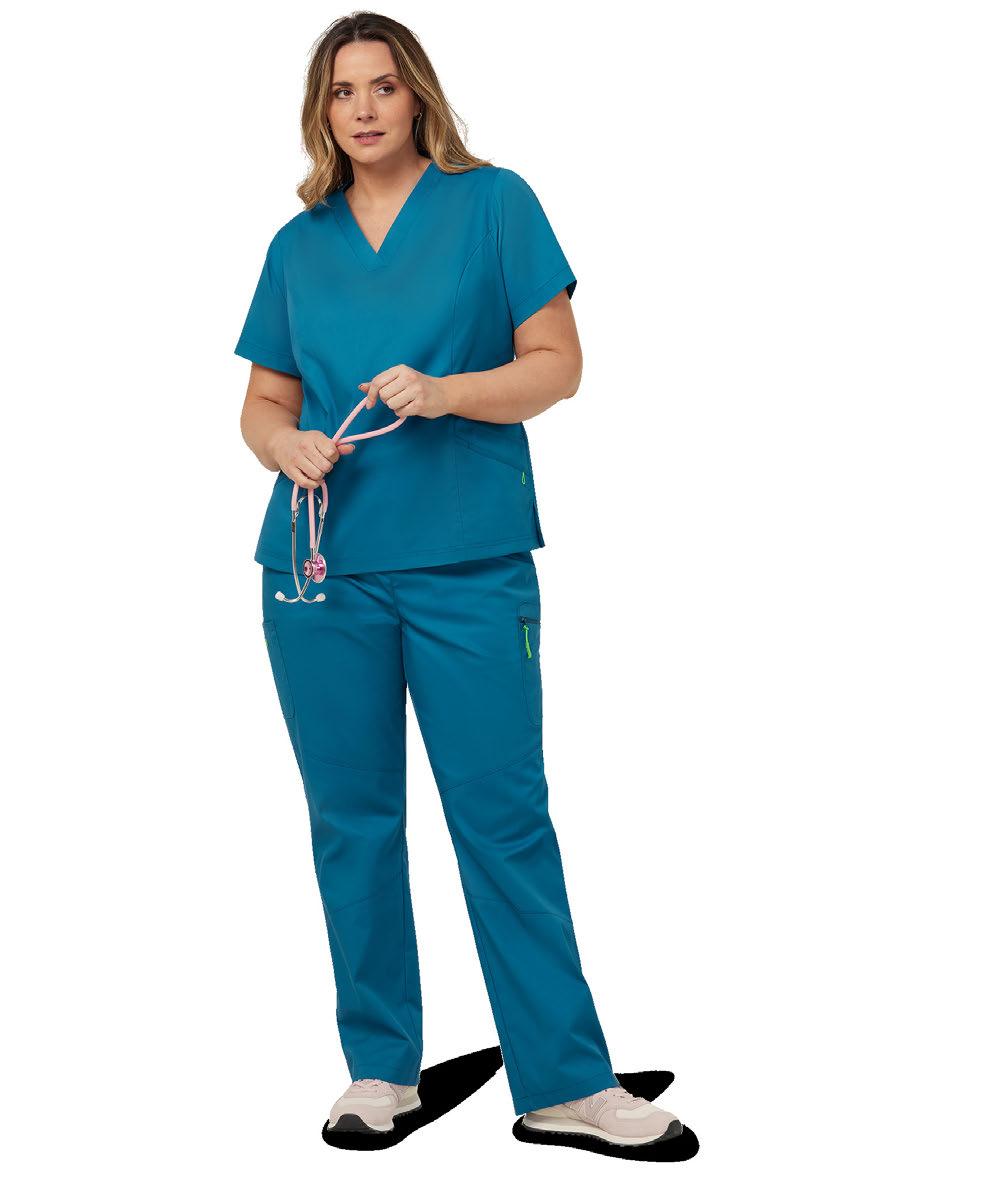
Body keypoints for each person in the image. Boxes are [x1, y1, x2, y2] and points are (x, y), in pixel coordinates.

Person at [235, 12, 683, 1148]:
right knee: (352, 821)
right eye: (342, 92)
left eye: (383, 86)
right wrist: (283, 444)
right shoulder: (299, 244)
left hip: (466, 562)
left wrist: (444, 393)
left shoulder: (494, 205)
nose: (364, 108)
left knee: (501, 815)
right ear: (321, 112)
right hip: (318, 569)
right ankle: (379, 1070)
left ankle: (566, 1080)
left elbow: (557, 367)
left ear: (418, 95)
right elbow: (262, 403)